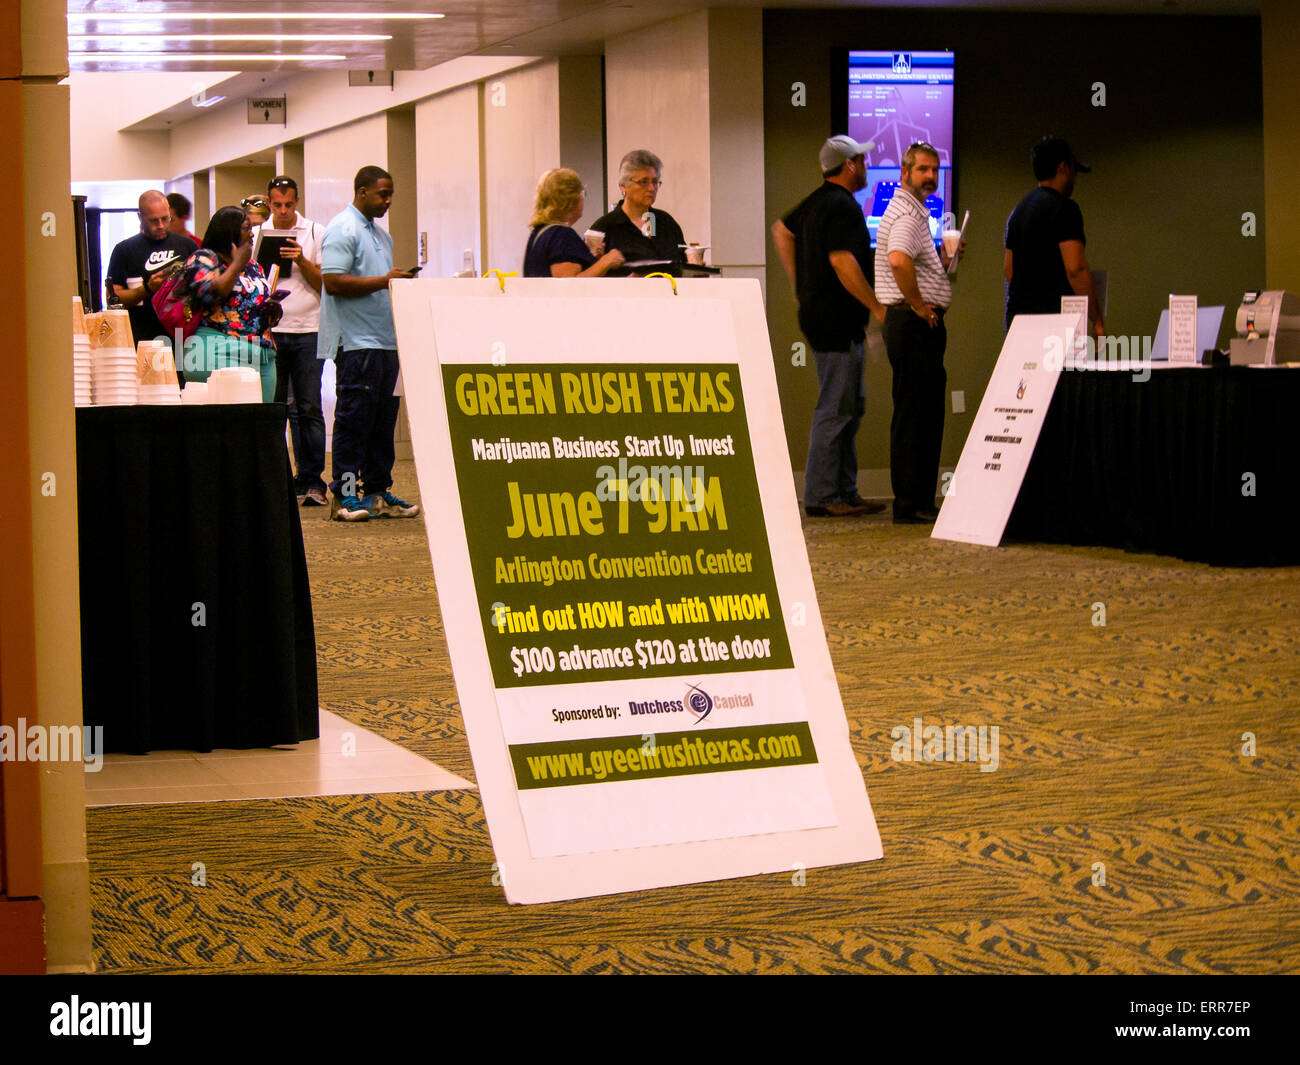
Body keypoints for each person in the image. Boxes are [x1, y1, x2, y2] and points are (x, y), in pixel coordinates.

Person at [774, 135, 886, 517]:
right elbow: (842, 261)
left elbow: (780, 230)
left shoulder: (815, 202)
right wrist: (877, 307)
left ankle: (844, 491)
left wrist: (799, 285)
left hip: (824, 317)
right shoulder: (842, 207)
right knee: (837, 406)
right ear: (850, 165)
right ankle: (823, 496)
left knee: (849, 405)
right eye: (862, 160)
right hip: (837, 320)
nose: (867, 167)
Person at [318, 165, 420, 523]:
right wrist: (383, 280)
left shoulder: (381, 235)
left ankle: (377, 493)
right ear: (362, 191)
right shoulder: (342, 229)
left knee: (381, 424)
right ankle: (344, 497)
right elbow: (332, 282)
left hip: (386, 342)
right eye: (382, 193)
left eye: (391, 193)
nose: (388, 200)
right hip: (356, 343)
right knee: (352, 424)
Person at [875, 141, 962, 525]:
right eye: (922, 169)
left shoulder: (910, 211)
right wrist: (918, 304)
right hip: (914, 326)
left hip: (910, 325)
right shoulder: (909, 215)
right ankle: (913, 504)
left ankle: (915, 501)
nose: (930, 176)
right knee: (918, 416)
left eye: (934, 169)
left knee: (916, 412)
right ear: (905, 173)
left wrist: (942, 262)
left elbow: (909, 261)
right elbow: (898, 260)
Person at [257, 175, 328, 506]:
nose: (283, 211)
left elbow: (324, 283)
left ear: (297, 202)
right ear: (269, 203)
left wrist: (300, 259)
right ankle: (279, 479)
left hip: (308, 330)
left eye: (288, 204)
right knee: (274, 408)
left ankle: (312, 480)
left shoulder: (315, 232)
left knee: (309, 406)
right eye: (277, 205)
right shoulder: (259, 233)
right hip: (271, 331)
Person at [1004, 136, 1105, 338]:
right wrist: (1097, 321)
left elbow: (1009, 269)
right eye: (1074, 171)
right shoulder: (1064, 209)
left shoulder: (1019, 211)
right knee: (1063, 372)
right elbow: (1075, 269)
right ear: (1063, 168)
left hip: (1018, 324)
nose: (1075, 179)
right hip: (1054, 325)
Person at [181, 205, 281, 402]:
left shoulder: (253, 266)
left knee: (263, 423)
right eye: (246, 228)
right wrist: (236, 264)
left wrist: (273, 311)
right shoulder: (203, 259)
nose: (252, 234)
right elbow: (210, 295)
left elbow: (254, 302)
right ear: (229, 231)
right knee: (231, 424)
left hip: (262, 354)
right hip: (219, 350)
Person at [105, 190, 198, 350]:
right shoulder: (124, 250)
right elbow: (112, 299)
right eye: (154, 221)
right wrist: (147, 288)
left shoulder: (187, 246)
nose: (161, 225)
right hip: (140, 339)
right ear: (140, 217)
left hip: (181, 340)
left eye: (165, 218)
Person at [591, 150, 687, 276]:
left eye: (655, 182)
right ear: (623, 186)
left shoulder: (666, 222)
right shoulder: (606, 227)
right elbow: (590, 281)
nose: (651, 188)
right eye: (643, 182)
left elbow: (683, 265)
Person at [523, 168, 625, 278]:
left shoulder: (539, 232)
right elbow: (569, 285)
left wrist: (590, 258)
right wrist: (606, 262)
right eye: (582, 193)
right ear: (570, 199)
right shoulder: (561, 235)